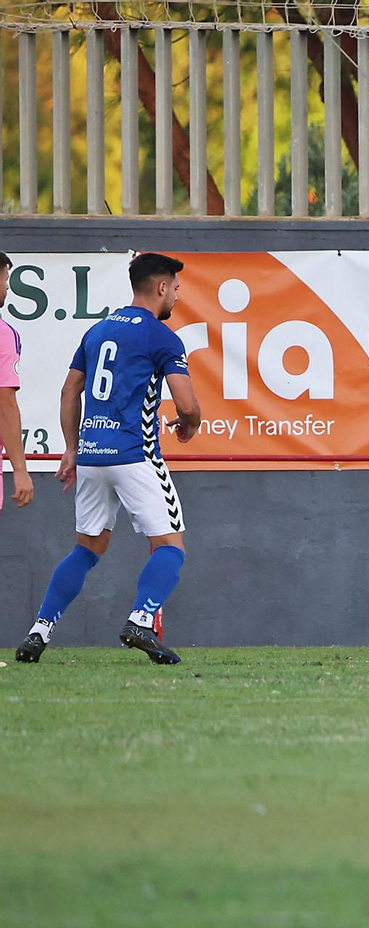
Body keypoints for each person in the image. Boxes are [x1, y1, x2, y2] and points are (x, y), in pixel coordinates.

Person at [16, 253, 201, 665]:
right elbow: (186, 403)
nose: (176, 295)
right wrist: (192, 422)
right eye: (175, 288)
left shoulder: (98, 330)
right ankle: (140, 620)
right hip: (135, 453)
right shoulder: (162, 337)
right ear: (160, 288)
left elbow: (70, 391)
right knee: (171, 545)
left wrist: (71, 448)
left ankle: (39, 631)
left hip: (93, 456)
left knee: (86, 548)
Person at [0, 251, 35, 519]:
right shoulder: (3, 334)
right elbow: (5, 403)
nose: (8, 288)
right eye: (6, 279)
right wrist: (21, 470)